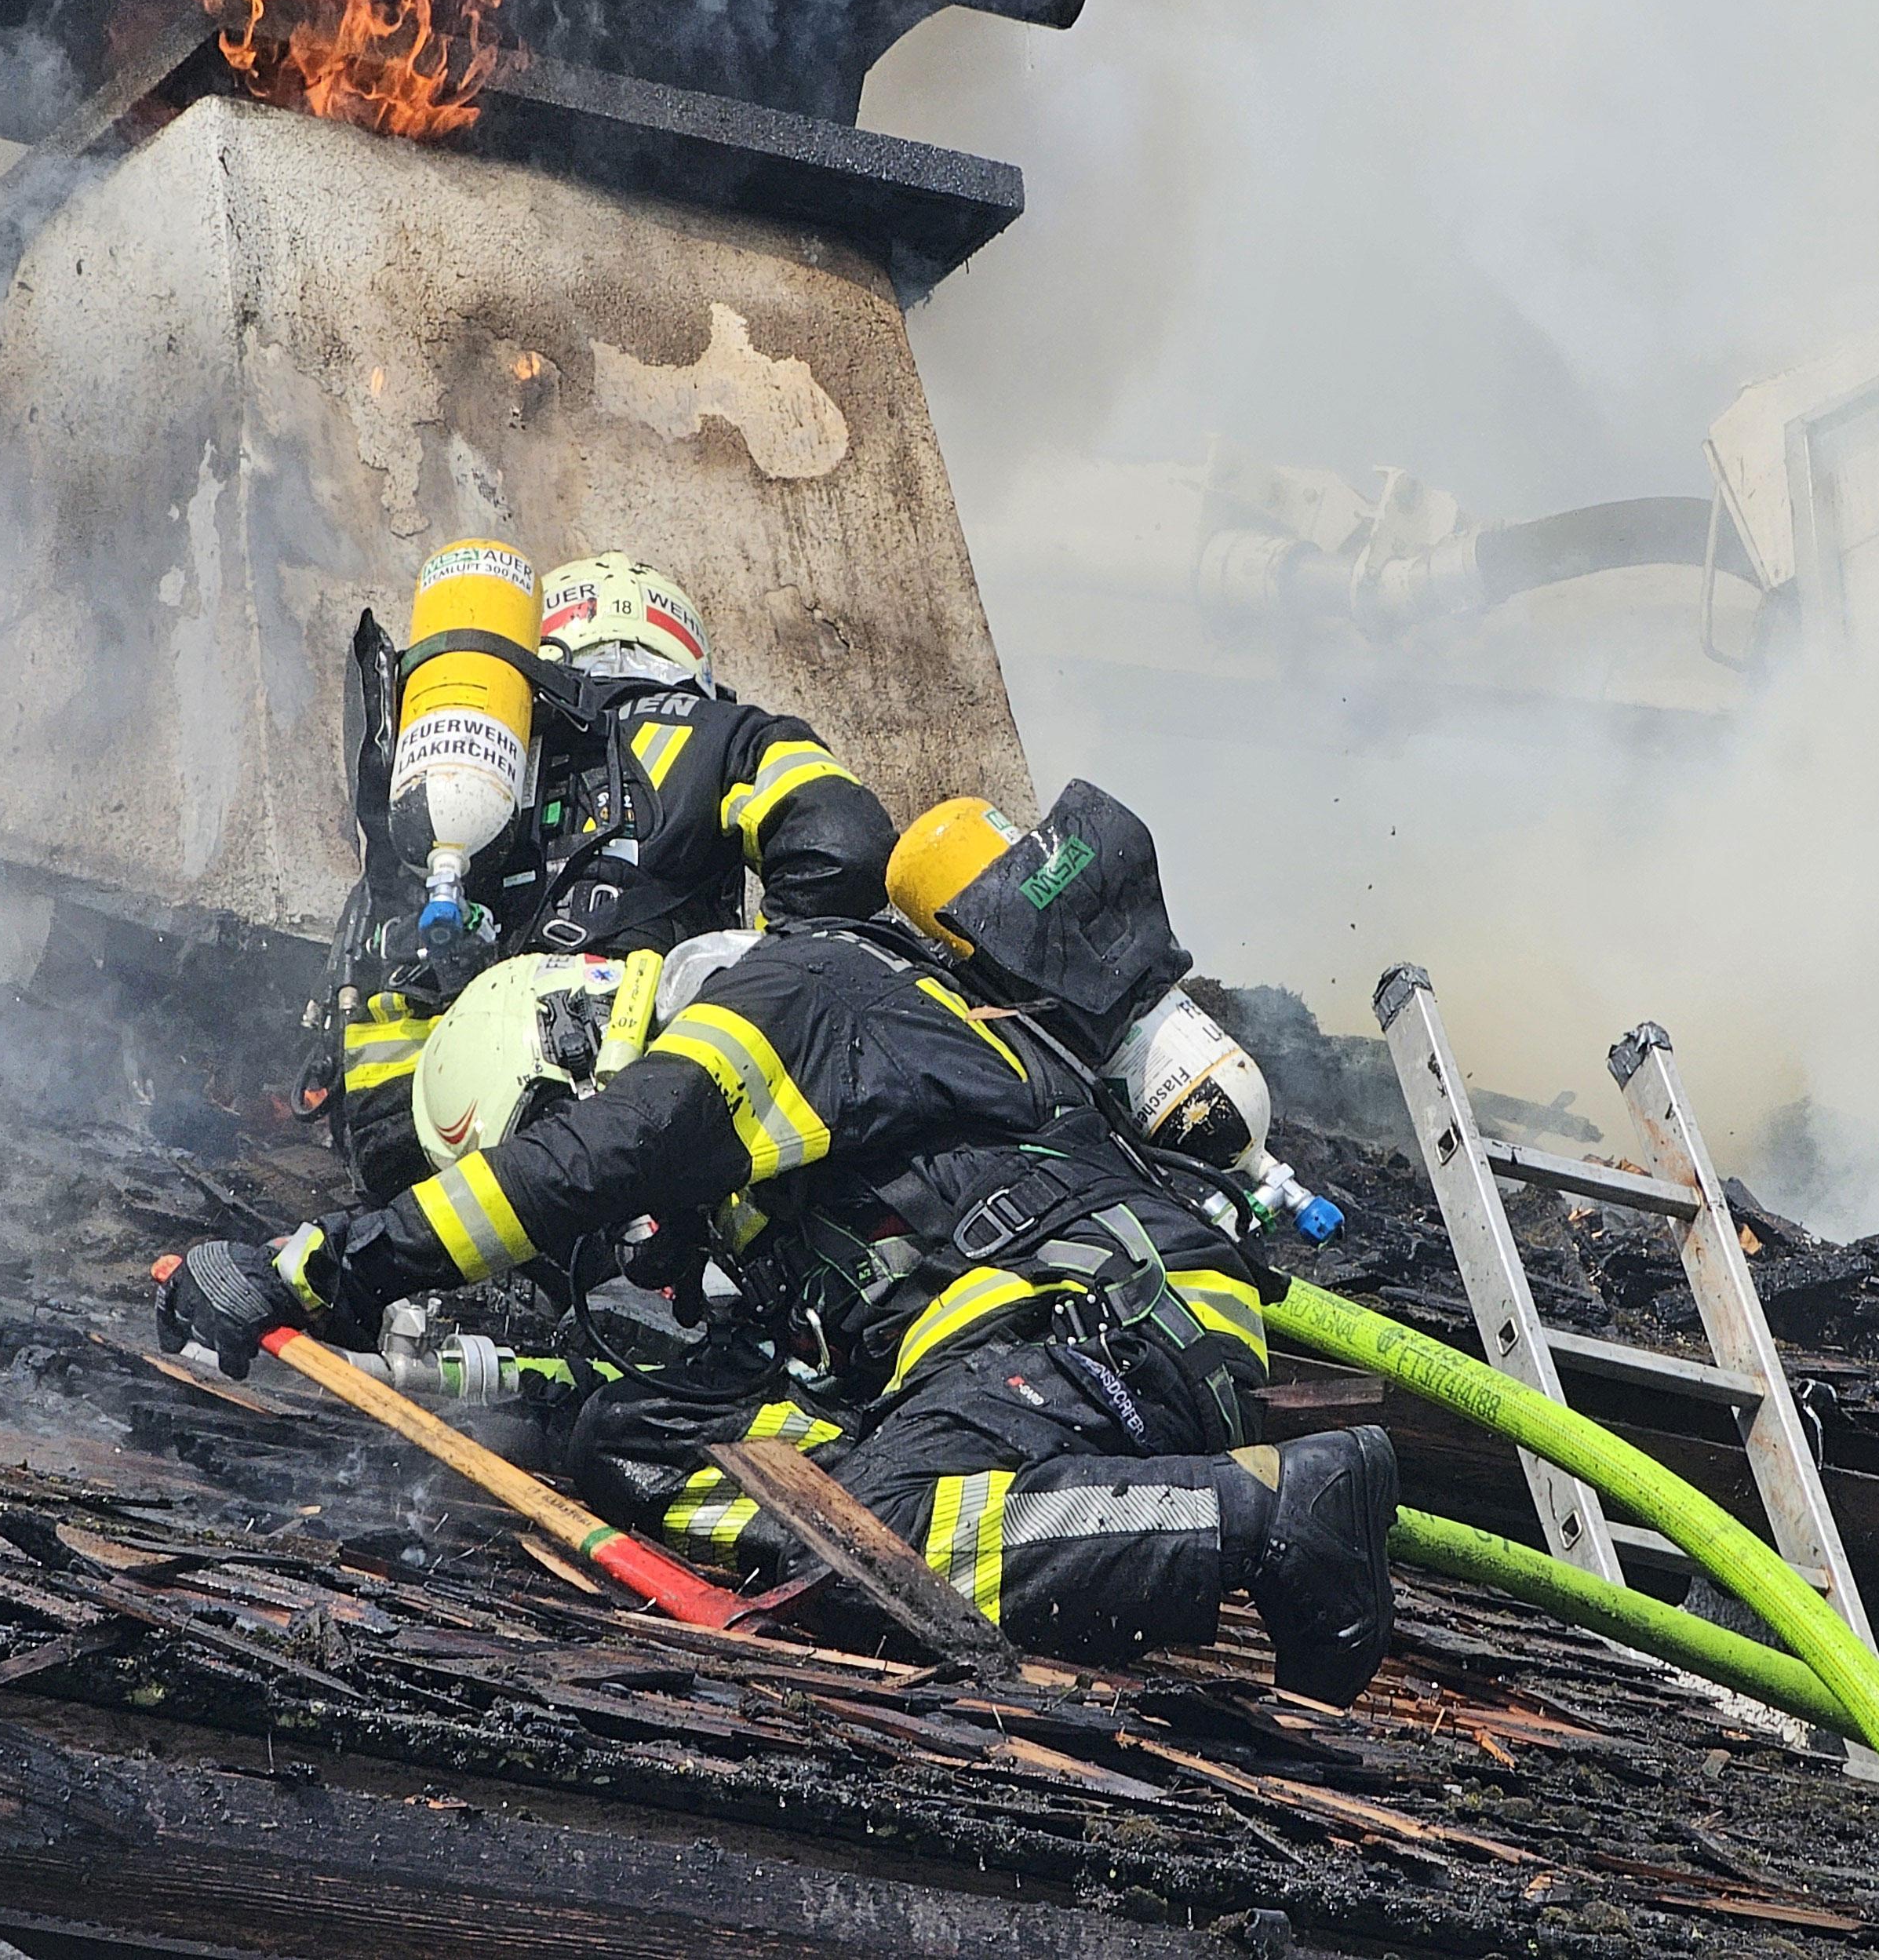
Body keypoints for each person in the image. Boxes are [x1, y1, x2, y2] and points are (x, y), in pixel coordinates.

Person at [168, 781, 1397, 1700]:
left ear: (580, 1050)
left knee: (888, 1544)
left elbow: (586, 1166)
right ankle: (1072, 1526)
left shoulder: (791, 996)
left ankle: (1270, 1513)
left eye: (555, 1116)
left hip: (1094, 1322)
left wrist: (321, 1269)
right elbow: (696, 1386)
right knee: (635, 1440)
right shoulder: (785, 1138)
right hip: (1044, 1343)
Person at [325, 552, 897, 1205]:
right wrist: (749, 979)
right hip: (654, 1130)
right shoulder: (729, 736)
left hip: (453, 1181)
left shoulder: (450, 793)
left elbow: (371, 1064)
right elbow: (847, 850)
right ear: (685, 653)